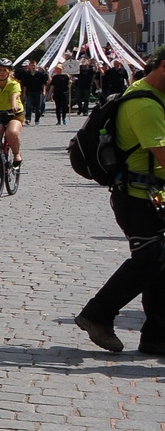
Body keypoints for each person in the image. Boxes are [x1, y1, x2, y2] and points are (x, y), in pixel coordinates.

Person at [75, 46, 165, 355]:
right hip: (136, 196)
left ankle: (156, 336)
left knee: (159, 262)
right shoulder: (145, 106)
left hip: (153, 194)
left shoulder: (156, 95)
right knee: (149, 260)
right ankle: (97, 314)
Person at [19, 60, 50, 126]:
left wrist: (44, 91)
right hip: (29, 92)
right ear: (29, 66)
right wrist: (24, 93)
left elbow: (43, 84)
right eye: (31, 65)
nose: (33, 67)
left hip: (38, 92)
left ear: (36, 66)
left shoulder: (40, 74)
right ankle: (28, 118)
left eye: (34, 65)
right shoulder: (27, 75)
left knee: (38, 107)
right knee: (28, 106)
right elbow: (25, 85)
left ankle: (37, 119)